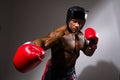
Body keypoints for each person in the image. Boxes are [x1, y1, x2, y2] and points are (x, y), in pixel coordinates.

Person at [13, 6, 99, 80]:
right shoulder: (59, 35)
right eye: (74, 21)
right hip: (54, 73)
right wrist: (32, 44)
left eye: (80, 23)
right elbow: (44, 42)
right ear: (69, 20)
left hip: (71, 72)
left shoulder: (81, 36)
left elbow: (88, 52)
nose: (77, 25)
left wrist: (93, 43)